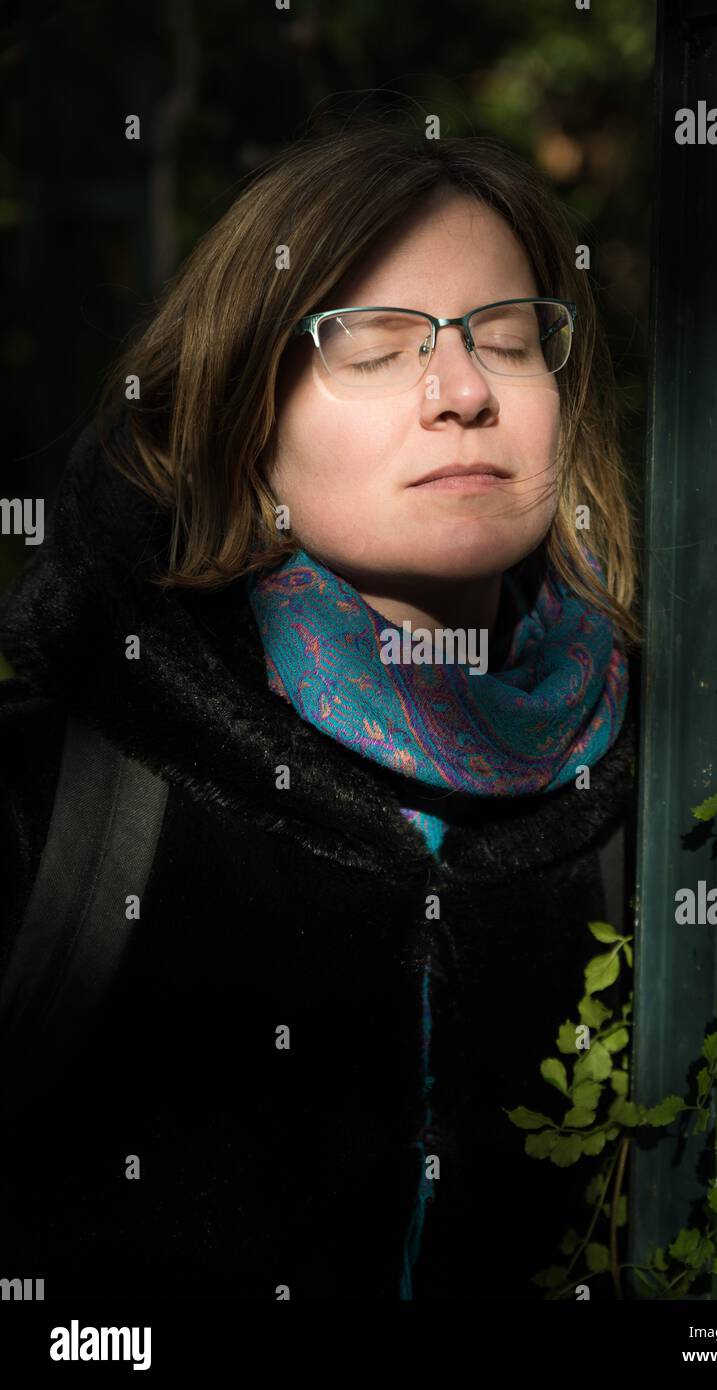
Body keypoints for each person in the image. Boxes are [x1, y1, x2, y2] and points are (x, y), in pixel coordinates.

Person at [0, 121, 640, 1301]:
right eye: (376, 346)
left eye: (506, 339)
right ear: (247, 422)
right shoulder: (61, 790)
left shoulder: (663, 800)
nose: (460, 393)